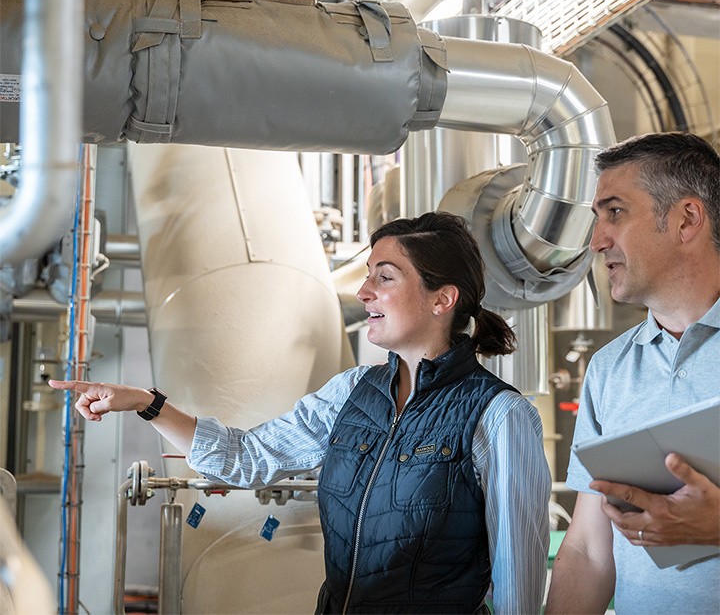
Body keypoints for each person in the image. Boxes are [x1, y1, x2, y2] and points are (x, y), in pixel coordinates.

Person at [50, 211, 551, 614]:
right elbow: (246, 457)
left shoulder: (499, 416)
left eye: (385, 277)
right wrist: (147, 402)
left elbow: (518, 586)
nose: (364, 292)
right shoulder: (353, 392)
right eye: (367, 274)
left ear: (443, 298)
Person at [545, 132, 720, 614]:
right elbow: (587, 550)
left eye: (615, 212)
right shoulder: (610, 369)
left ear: (686, 219)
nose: (598, 239)